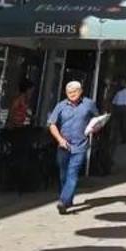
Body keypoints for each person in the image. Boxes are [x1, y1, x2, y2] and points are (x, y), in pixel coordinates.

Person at [48, 79, 98, 214]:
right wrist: (59, 139)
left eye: (75, 91)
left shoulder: (89, 104)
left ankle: (63, 201)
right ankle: (68, 199)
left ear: (80, 91)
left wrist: (95, 128)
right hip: (64, 145)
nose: (72, 94)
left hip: (80, 145)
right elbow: (52, 124)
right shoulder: (60, 106)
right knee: (63, 174)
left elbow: (97, 119)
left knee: (73, 173)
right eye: (69, 92)